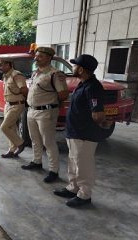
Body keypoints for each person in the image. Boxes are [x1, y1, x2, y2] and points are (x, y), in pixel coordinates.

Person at [53, 54, 111, 207]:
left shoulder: (93, 87)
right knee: (73, 162)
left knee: (83, 165)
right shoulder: (83, 83)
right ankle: (73, 188)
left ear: (82, 69)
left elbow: (98, 114)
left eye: (75, 65)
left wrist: (102, 122)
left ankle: (85, 195)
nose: (73, 67)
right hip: (74, 132)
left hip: (85, 134)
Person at [22, 47, 69, 183]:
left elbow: (63, 94)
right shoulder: (36, 73)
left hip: (46, 112)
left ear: (49, 58)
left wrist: (52, 104)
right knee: (34, 139)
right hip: (32, 110)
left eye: (40, 56)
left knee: (48, 142)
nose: (36, 58)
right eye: (36, 56)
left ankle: (53, 170)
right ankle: (36, 161)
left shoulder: (55, 74)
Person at [0, 58, 28, 158]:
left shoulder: (16, 75)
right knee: (11, 128)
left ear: (8, 64)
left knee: (4, 127)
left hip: (17, 104)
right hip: (8, 104)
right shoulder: (6, 76)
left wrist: (27, 102)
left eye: (1, 65)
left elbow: (24, 89)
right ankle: (12, 150)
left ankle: (20, 143)